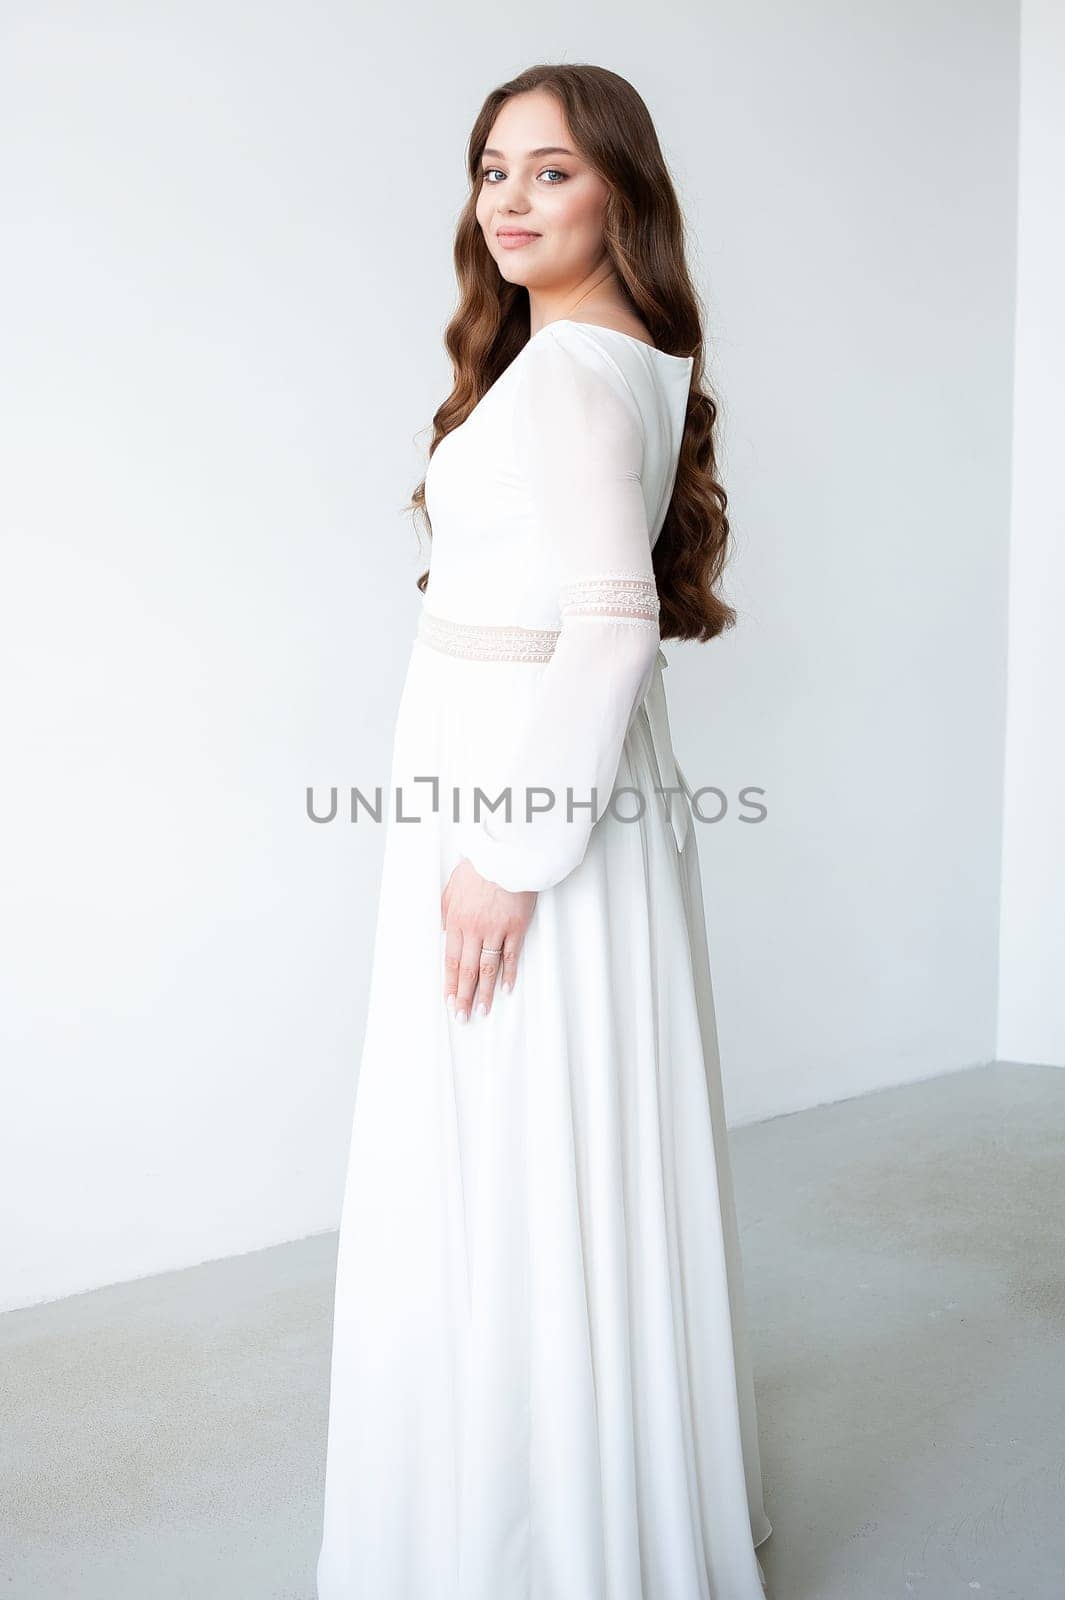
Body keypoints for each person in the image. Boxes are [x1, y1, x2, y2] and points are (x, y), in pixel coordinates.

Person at [316, 61, 774, 1600]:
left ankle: (532, 1540)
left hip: (523, 785)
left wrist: (505, 852)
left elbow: (611, 630)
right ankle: (567, 1502)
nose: (509, 202)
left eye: (551, 173)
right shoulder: (610, 353)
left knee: (505, 1155)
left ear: (620, 195)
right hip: (526, 765)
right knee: (534, 1154)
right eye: (491, 169)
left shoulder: (577, 374)